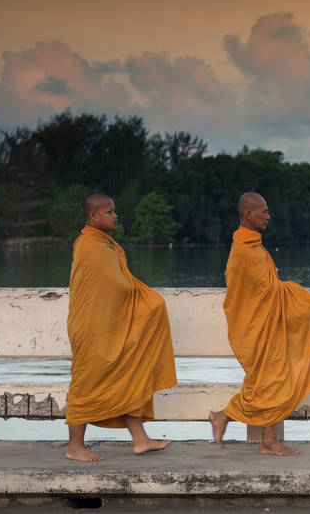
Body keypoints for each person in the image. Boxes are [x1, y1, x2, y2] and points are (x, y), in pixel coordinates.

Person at [65, 193, 177, 462]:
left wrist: (149, 303)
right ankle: (74, 447)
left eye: (115, 211)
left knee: (127, 376)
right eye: (109, 211)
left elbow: (121, 282)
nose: (116, 215)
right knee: (86, 382)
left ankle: (140, 440)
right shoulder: (88, 245)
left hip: (108, 325)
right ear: (93, 216)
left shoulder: (106, 244)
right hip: (92, 327)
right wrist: (144, 300)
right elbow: (113, 286)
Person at [208, 192, 310, 456]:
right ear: (249, 215)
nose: (268, 216)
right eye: (264, 212)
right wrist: (298, 295)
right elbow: (264, 292)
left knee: (272, 381)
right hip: (255, 326)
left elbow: (265, 289)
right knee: (268, 382)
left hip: (264, 324)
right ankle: (224, 416)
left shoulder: (253, 245)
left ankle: (266, 440)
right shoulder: (245, 250)